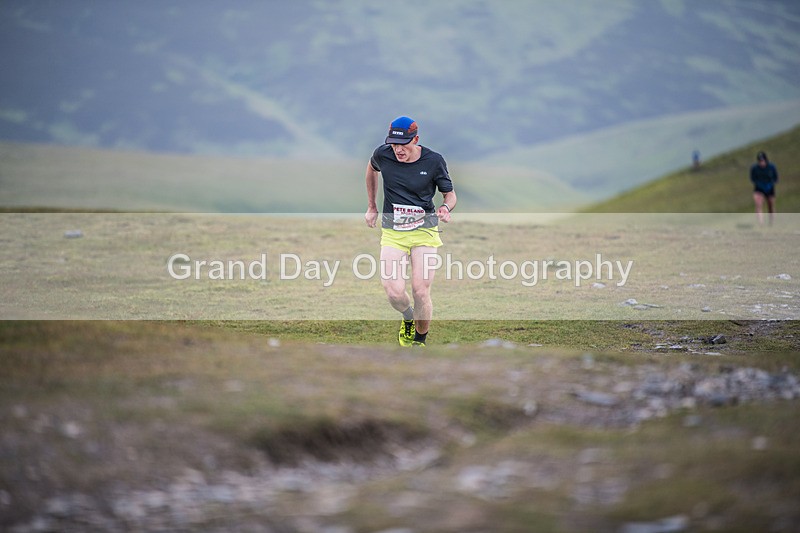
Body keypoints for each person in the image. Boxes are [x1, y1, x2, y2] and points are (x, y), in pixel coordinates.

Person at [364, 116, 457, 347]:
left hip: (424, 231)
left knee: (420, 290)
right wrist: (372, 206)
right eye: (394, 144)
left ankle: (419, 341)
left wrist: (445, 208)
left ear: (415, 139)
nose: (398, 150)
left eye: (403, 144)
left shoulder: (434, 161)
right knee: (394, 293)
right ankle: (408, 316)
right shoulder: (382, 154)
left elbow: (450, 194)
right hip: (393, 232)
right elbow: (371, 170)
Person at [750, 151, 778, 225]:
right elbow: (753, 179)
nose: (761, 162)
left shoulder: (771, 167)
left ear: (766, 160)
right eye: (760, 161)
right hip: (759, 188)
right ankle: (760, 223)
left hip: (769, 188)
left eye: (762, 160)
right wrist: (759, 184)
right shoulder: (754, 168)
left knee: (770, 205)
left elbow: (776, 178)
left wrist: (770, 184)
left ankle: (771, 222)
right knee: (758, 204)